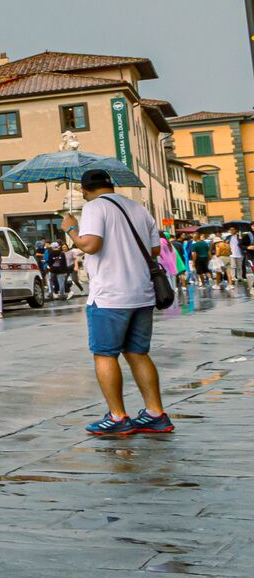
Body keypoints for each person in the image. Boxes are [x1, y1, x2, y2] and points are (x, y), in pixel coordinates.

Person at [64, 170, 173, 437]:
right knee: (138, 353)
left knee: (105, 354)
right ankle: (155, 413)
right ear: (110, 185)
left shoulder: (94, 207)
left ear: (84, 190)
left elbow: (90, 245)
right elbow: (154, 250)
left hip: (110, 294)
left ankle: (117, 416)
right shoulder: (138, 208)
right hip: (142, 293)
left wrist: (71, 229)